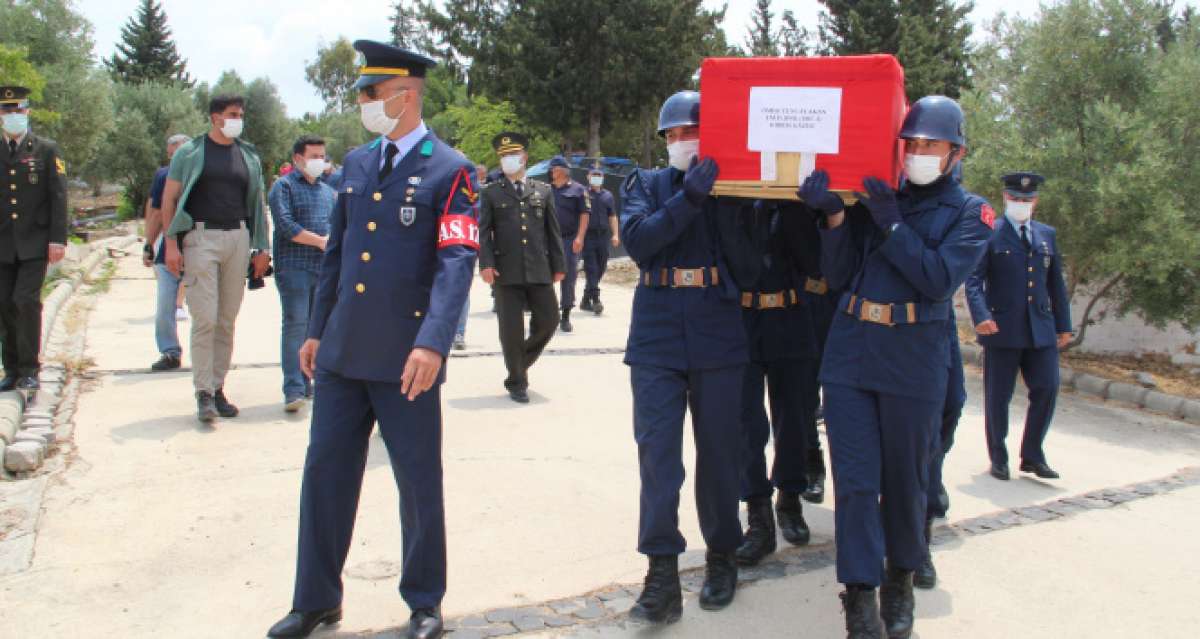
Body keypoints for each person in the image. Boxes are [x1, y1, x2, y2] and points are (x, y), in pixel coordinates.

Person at [266, 40, 477, 639]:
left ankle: (425, 602)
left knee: (416, 479)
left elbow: (457, 259)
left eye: (370, 94)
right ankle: (316, 600)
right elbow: (337, 253)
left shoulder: (450, 169)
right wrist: (316, 330)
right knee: (325, 473)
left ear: (404, 95)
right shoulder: (356, 164)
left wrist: (434, 342)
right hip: (342, 352)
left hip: (406, 356)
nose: (361, 103)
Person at [802, 95, 992, 638]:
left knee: (906, 481)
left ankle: (900, 579)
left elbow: (936, 279)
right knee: (857, 482)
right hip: (852, 351)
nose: (917, 154)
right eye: (910, 144)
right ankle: (859, 595)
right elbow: (837, 275)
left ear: (955, 153)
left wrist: (890, 225)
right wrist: (836, 217)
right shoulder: (875, 199)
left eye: (930, 145)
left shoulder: (970, 213)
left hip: (913, 358)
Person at [621, 90, 752, 624]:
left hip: (718, 327)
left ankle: (722, 555)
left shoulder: (734, 190)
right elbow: (640, 242)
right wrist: (688, 200)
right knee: (657, 457)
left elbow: (751, 264)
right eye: (672, 135)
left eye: (689, 133)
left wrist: (727, 200)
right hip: (656, 333)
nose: (680, 143)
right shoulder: (644, 184)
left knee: (721, 452)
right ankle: (661, 574)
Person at [160, 94, 272, 423]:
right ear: (215, 118)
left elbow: (257, 202)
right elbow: (170, 198)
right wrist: (170, 244)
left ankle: (218, 385)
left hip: (237, 237)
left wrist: (262, 247)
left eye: (241, 114)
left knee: (226, 319)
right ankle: (203, 392)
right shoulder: (190, 152)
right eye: (232, 114)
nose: (238, 119)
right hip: (200, 238)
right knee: (205, 317)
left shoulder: (248, 155)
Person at [731, 199, 820, 567]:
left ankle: (790, 497)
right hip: (742, 321)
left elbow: (815, 261)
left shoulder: (798, 203)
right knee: (746, 425)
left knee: (796, 420)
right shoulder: (731, 200)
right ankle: (758, 513)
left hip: (792, 317)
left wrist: (794, 204)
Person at [966, 172, 1072, 482]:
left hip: (1040, 328)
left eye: (1027, 200)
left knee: (1047, 387)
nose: (1021, 204)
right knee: (998, 396)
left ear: (1036, 202)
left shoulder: (1046, 235)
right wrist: (981, 315)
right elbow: (973, 280)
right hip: (1001, 328)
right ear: (1005, 198)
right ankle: (998, 457)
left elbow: (1056, 284)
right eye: (1015, 198)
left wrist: (1064, 325)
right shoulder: (991, 233)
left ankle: (1033, 455)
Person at [477, 132, 564, 403]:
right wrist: (486, 264)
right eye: (502, 156)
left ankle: (518, 362)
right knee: (511, 329)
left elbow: (553, 231)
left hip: (539, 268)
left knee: (549, 322)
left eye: (511, 155)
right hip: (506, 270)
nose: (507, 160)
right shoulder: (491, 193)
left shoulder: (543, 191)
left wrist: (559, 264)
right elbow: (484, 232)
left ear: (524, 157)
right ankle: (517, 381)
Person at [0, 86, 67, 392]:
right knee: (4, 304)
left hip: (34, 242)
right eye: (6, 110)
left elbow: (58, 196)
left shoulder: (45, 149)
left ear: (27, 112)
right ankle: (11, 368)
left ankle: (29, 368)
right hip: (3, 243)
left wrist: (58, 239)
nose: (12, 116)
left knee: (25, 301)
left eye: (18, 110)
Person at [268, 135, 336, 412]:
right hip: (294, 267)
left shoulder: (328, 192)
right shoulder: (283, 188)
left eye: (322, 156)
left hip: (323, 270)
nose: (319, 162)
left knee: (318, 329)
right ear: (298, 159)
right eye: (314, 156)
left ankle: (313, 382)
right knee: (296, 325)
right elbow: (285, 225)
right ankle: (294, 388)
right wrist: (320, 241)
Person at [143, 134, 191, 372]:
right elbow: (156, 213)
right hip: (168, 251)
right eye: (172, 154)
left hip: (199, 248)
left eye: (179, 152)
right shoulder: (163, 176)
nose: (175, 158)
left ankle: (207, 354)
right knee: (164, 305)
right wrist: (148, 244)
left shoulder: (202, 174)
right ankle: (169, 351)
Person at [547, 155, 590, 332]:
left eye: (554, 169)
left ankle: (565, 315)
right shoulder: (545, 190)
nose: (552, 172)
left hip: (568, 240)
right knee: (544, 276)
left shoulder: (579, 190)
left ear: (563, 171)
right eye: (551, 169)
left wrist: (580, 237)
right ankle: (546, 313)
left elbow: (584, 214)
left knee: (568, 277)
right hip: (547, 240)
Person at [579, 162, 618, 315]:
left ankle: (585, 299)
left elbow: (613, 216)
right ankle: (596, 300)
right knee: (591, 268)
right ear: (588, 177)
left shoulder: (608, 196)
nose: (596, 178)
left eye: (599, 175)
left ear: (603, 177)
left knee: (601, 267)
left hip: (603, 236)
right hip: (588, 236)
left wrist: (615, 234)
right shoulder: (582, 194)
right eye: (593, 175)